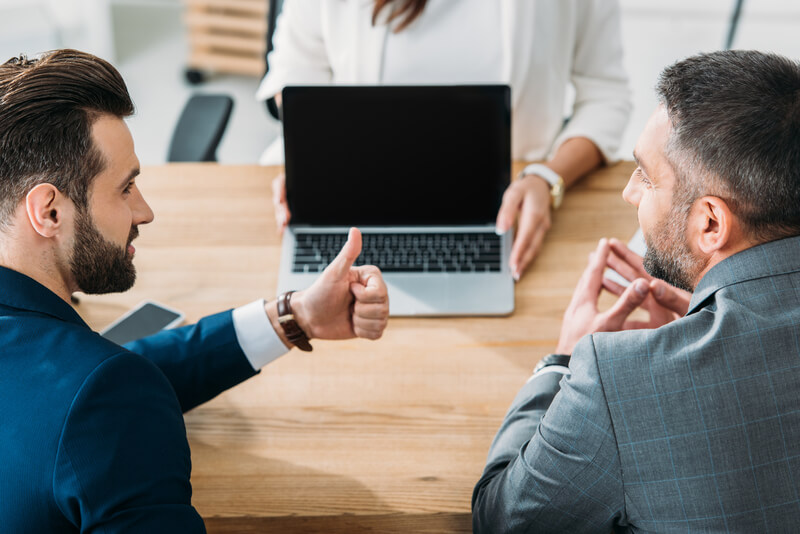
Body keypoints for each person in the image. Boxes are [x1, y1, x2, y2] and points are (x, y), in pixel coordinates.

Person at [0, 49, 389, 532]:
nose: (144, 212)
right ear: (50, 212)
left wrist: (296, 317)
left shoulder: (82, 382)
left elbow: (92, 384)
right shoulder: (104, 399)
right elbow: (101, 397)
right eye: (125, 188)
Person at [472, 49, 800, 532]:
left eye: (646, 176)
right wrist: (719, 315)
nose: (629, 192)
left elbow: (499, 520)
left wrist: (562, 361)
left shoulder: (616, 379)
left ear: (710, 223)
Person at [258, 0, 632, 280]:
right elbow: (294, 76)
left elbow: (605, 95)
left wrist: (548, 177)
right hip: (360, 200)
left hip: (506, 211)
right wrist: (315, 157)